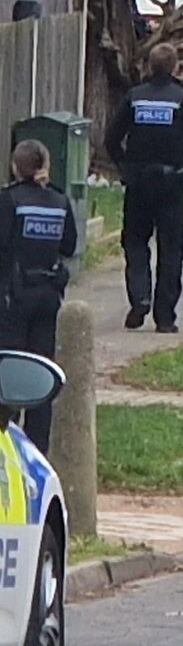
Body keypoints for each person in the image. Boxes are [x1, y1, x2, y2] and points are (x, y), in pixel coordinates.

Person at [105, 42, 183, 334]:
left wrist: (126, 165)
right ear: (175, 66)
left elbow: (111, 139)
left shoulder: (134, 97)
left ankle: (140, 297)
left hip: (139, 183)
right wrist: (182, 153)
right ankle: (165, 317)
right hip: (172, 185)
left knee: (136, 242)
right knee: (171, 249)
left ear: (149, 67)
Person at [0, 141, 75, 454]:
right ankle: (38, 449)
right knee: (41, 373)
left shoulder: (9, 200)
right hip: (48, 297)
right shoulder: (59, 200)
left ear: (16, 166)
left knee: (10, 375)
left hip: (13, 299)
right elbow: (69, 245)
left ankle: (8, 443)